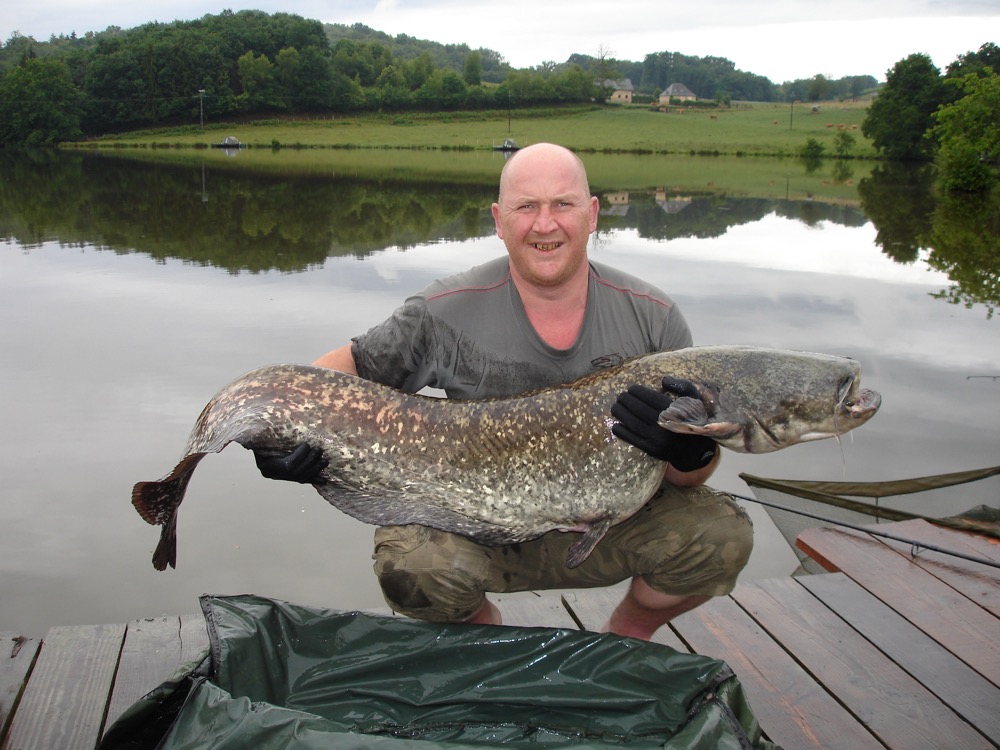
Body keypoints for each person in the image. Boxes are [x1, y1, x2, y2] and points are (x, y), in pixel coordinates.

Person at [255, 143, 753, 640]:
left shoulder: (655, 319)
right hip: (477, 523)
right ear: (498, 219)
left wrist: (690, 453)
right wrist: (285, 435)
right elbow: (333, 373)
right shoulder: (442, 311)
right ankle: (489, 637)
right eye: (526, 206)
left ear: (593, 212)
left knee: (722, 536)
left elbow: (689, 480)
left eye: (563, 203)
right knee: (411, 567)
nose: (545, 224)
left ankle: (625, 636)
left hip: (615, 522)